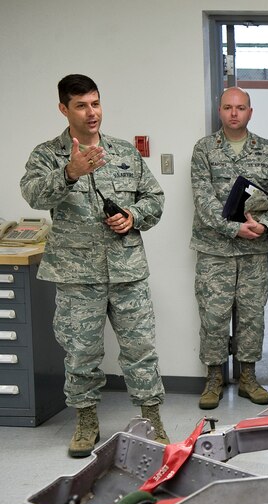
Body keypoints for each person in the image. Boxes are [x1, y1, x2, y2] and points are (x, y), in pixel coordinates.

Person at [20, 74, 169, 457]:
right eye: (82, 105)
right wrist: (70, 173)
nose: (92, 113)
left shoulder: (124, 152)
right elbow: (33, 194)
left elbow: (154, 197)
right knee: (80, 351)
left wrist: (132, 216)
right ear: (63, 109)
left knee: (141, 348)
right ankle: (86, 421)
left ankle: (151, 418)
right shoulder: (47, 154)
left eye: (96, 103)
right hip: (76, 274)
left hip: (126, 270)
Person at [190, 87, 268, 410]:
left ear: (250, 111)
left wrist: (266, 225)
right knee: (214, 316)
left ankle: (248, 376)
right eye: (228, 107)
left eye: (241, 107)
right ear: (220, 111)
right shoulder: (204, 149)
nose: (234, 113)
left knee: (251, 316)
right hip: (215, 250)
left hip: (254, 251)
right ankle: (214, 379)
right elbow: (203, 200)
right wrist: (235, 228)